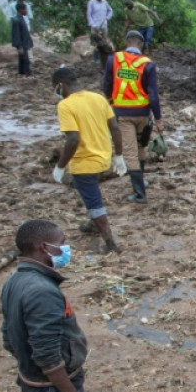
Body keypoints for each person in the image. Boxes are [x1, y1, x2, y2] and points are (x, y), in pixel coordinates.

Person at [1, 220, 92, 392]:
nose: (66, 248)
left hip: (36, 386)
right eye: (62, 243)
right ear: (43, 247)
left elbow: (8, 335)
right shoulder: (42, 291)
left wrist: (29, 366)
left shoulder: (14, 281)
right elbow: (46, 354)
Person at [52, 67, 125, 254]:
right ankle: (92, 224)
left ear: (61, 85)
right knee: (89, 190)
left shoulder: (65, 106)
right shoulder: (98, 98)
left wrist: (60, 166)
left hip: (84, 163)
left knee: (94, 202)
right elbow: (115, 128)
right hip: (103, 159)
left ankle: (110, 245)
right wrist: (119, 155)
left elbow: (73, 139)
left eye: (55, 88)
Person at [104, 30, 162, 204]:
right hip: (143, 114)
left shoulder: (113, 60)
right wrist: (159, 119)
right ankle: (141, 182)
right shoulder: (147, 64)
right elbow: (153, 94)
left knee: (130, 152)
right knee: (140, 148)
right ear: (141, 44)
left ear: (127, 41)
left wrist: (109, 102)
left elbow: (107, 84)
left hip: (123, 114)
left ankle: (139, 193)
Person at [86, 0, 114, 68]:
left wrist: (107, 18)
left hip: (104, 26)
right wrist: (93, 24)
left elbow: (110, 10)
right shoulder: (91, 3)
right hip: (95, 26)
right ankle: (96, 59)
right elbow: (89, 14)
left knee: (104, 43)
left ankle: (104, 61)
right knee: (95, 43)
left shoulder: (105, 2)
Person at [11, 3, 33, 77]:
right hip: (22, 44)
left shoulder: (21, 18)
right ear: (21, 10)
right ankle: (26, 74)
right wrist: (19, 47)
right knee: (25, 60)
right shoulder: (16, 20)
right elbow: (16, 35)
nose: (27, 11)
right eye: (25, 9)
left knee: (23, 60)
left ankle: (22, 73)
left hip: (25, 43)